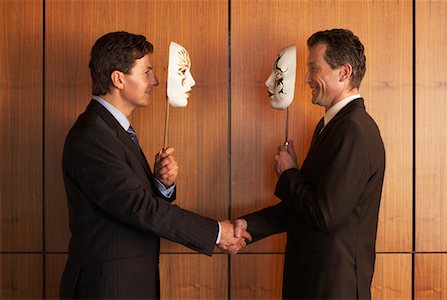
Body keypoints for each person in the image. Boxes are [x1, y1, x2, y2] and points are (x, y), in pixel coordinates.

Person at [59, 31, 249, 299]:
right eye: (146, 71)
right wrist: (217, 232)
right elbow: (139, 208)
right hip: (106, 289)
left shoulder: (113, 130)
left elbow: (129, 201)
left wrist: (161, 184)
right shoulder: (92, 136)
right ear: (118, 79)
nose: (155, 81)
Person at [233, 29, 386, 299]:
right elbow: (305, 207)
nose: (306, 79)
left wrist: (290, 172)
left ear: (344, 72)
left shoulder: (353, 130)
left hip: (331, 289)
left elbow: (325, 214)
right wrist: (248, 226)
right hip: (315, 285)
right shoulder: (332, 126)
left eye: (314, 69)